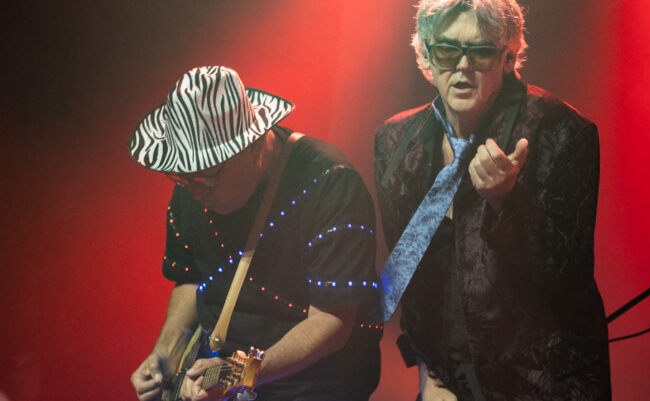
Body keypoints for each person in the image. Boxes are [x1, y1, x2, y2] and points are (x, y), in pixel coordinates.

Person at [374, 1, 611, 400]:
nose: (462, 66)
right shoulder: (396, 141)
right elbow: (412, 279)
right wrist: (431, 375)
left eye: (480, 52)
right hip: (445, 381)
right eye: (447, 51)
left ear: (508, 59)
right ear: (425, 57)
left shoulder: (560, 130)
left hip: (541, 385)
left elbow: (568, 279)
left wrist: (507, 203)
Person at [129, 66, 382, 401]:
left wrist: (239, 374)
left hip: (312, 386)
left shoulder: (331, 183)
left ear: (255, 145)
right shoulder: (192, 184)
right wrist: (165, 354)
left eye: (208, 176)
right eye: (181, 177)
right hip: (218, 376)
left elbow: (332, 321)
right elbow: (191, 277)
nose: (194, 190)